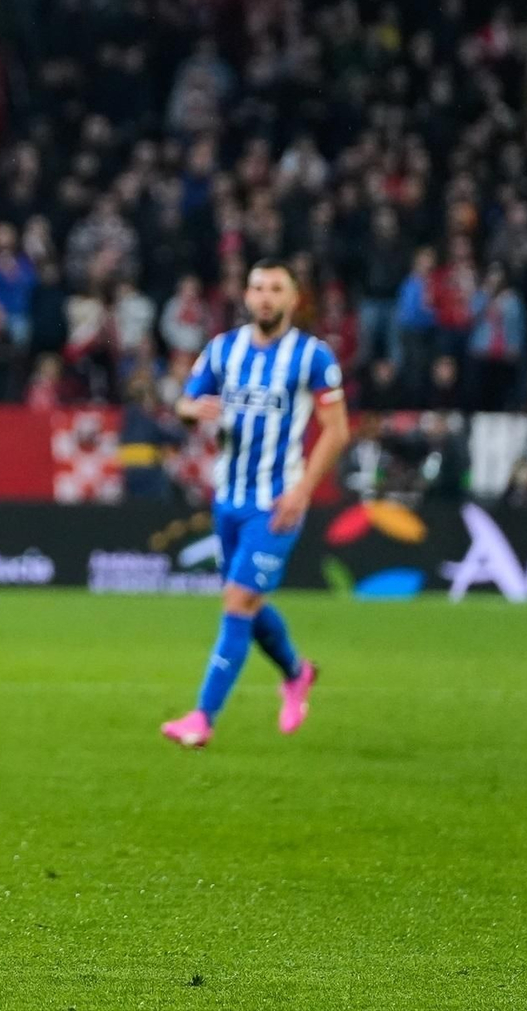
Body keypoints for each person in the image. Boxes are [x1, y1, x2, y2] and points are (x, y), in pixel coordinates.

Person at [160, 258, 350, 749]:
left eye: (276, 289)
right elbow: (184, 401)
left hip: (278, 503)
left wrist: (303, 491)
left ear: (292, 300)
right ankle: (296, 671)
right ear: (246, 295)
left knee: (237, 601)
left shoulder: (312, 356)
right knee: (248, 601)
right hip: (228, 500)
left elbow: (337, 431)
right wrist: (190, 410)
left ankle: (202, 717)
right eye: (258, 288)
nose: (265, 297)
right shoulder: (223, 349)